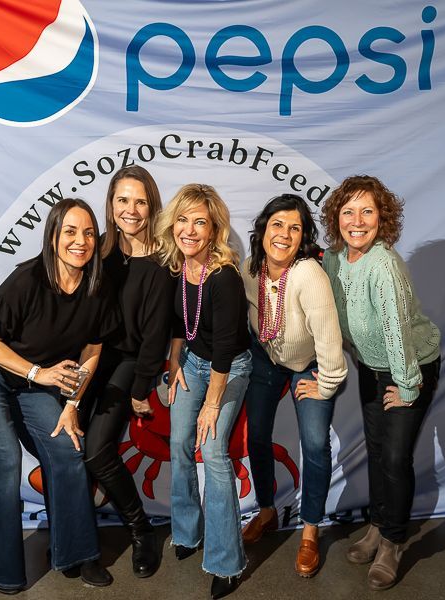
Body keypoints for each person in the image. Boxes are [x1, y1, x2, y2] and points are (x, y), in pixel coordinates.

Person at [0, 198, 118, 594]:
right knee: (3, 459)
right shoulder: (28, 279)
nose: (81, 240)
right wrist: (40, 374)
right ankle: (0, 569)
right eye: (70, 231)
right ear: (53, 236)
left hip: (33, 379)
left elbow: (92, 351)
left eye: (88, 232)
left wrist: (72, 405)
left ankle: (77, 555)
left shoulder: (97, 286)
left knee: (67, 450)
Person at [321, 175, 441, 591]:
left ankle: (392, 541)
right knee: (375, 452)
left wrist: (407, 385)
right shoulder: (334, 260)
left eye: (367, 211)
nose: (357, 220)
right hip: (372, 368)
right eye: (348, 211)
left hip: (411, 365)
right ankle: (375, 527)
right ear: (336, 217)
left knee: (394, 458)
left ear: (382, 218)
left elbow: (397, 329)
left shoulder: (384, 264)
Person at [239, 194, 348, 577]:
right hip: (266, 356)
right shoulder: (248, 268)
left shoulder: (308, 275)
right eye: (277, 224)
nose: (284, 234)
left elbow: (331, 343)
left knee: (315, 443)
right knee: (256, 436)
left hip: (311, 362)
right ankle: (267, 511)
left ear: (303, 239)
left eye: (295, 228)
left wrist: (327, 383)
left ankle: (310, 531)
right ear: (263, 229)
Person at [156, 183, 252, 599]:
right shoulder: (178, 267)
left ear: (214, 231)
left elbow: (227, 349)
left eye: (200, 222)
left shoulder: (224, 277)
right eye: (183, 220)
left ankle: (226, 561)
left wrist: (211, 405)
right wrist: (175, 363)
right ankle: (187, 532)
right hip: (194, 363)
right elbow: (182, 324)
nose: (190, 230)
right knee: (178, 441)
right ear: (172, 224)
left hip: (228, 369)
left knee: (212, 451)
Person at [80, 165, 173, 577]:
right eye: (122, 200)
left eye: (140, 201)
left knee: (98, 449)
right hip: (89, 358)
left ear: (152, 206)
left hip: (130, 362)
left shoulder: (163, 260)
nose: (131, 209)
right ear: (111, 205)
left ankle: (141, 530)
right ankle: (78, 538)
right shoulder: (98, 250)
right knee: (70, 446)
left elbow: (156, 333)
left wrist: (140, 389)